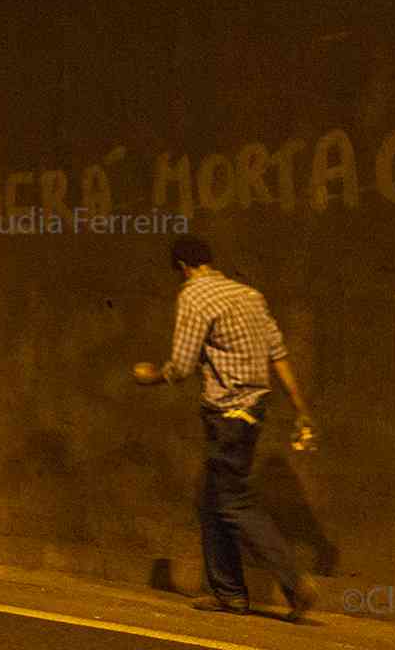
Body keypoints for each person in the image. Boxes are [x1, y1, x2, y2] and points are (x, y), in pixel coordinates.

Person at [132, 236, 319, 622]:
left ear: (183, 266)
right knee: (212, 498)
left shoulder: (194, 295)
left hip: (226, 415)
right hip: (255, 411)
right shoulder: (250, 295)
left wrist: (151, 376)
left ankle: (293, 581)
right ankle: (229, 594)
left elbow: (182, 366)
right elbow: (278, 354)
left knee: (233, 500)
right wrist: (301, 408)